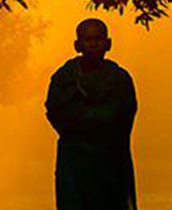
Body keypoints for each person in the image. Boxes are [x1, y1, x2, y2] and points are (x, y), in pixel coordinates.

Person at [45, 18, 139, 210]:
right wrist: (93, 118)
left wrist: (83, 117)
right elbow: (56, 114)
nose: (94, 44)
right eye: (88, 39)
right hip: (74, 163)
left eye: (99, 39)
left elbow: (120, 117)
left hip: (110, 160)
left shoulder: (119, 79)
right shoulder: (64, 77)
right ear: (77, 45)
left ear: (108, 43)